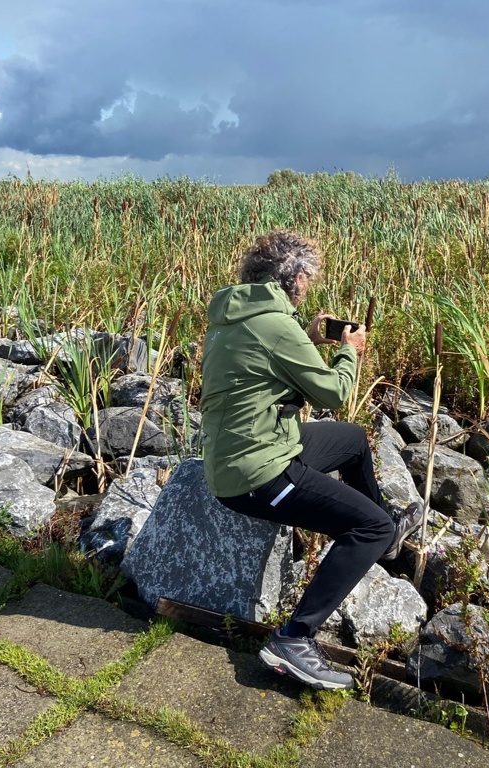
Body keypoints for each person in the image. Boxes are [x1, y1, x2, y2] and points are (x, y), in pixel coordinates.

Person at [199, 230, 423, 690]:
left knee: (352, 440)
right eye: (307, 279)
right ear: (297, 278)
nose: (308, 287)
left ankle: (386, 526)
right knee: (369, 527)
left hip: (248, 448)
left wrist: (308, 335)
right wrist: (347, 350)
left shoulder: (234, 315)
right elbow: (335, 392)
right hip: (257, 474)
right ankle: (294, 638)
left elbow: (264, 362)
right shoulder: (277, 327)